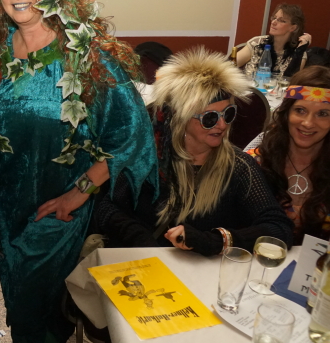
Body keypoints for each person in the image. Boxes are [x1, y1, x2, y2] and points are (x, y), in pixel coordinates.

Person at [0, 0, 158, 343]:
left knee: (28, 302)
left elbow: (131, 136)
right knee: (20, 295)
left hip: (56, 209)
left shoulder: (87, 56)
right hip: (5, 206)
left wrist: (77, 195)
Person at [95, 47, 294, 256]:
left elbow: (279, 229)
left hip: (203, 272)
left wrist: (217, 240)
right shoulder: (148, 159)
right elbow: (106, 208)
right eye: (210, 118)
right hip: (145, 266)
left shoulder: (238, 167)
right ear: (181, 119)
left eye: (228, 113)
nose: (222, 125)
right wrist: (138, 237)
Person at [247, 66, 330, 244]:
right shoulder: (256, 161)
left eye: (322, 114)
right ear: (287, 112)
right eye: (300, 110)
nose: (308, 123)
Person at [236, 3, 312, 77]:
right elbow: (231, 65)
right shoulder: (257, 42)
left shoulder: (298, 53)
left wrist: (300, 50)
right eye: (274, 18)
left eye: (281, 20)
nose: (273, 22)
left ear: (293, 28)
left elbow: (290, 79)